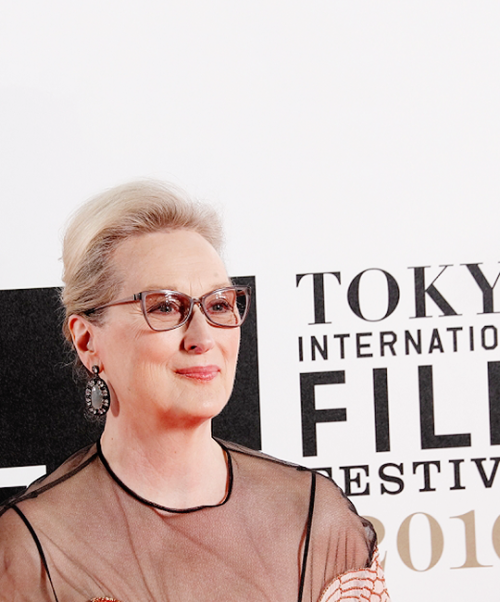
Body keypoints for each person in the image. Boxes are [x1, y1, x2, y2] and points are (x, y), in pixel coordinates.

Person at [0, 180, 389, 602]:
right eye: (165, 307)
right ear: (88, 341)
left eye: (219, 304)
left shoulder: (315, 518)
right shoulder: (32, 548)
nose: (202, 337)